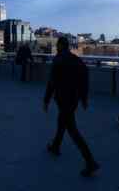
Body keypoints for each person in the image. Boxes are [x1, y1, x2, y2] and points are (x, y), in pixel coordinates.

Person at [44, 37, 99, 177]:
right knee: (62, 121)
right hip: (74, 98)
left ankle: (90, 161)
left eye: (57, 45)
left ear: (61, 45)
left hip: (63, 98)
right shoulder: (76, 59)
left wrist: (46, 100)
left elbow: (52, 82)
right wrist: (84, 98)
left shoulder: (58, 59)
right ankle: (56, 146)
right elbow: (84, 78)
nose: (56, 47)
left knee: (72, 129)